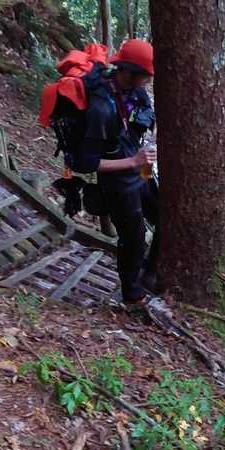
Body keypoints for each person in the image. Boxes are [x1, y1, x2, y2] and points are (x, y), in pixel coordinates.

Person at [64, 39, 159, 307]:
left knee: (166, 215)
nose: (148, 81)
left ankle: (150, 274)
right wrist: (133, 161)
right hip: (117, 182)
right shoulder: (100, 108)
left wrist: (151, 138)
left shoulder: (134, 92)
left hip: (140, 171)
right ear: (128, 72)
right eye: (145, 76)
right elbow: (85, 164)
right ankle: (133, 295)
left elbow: (147, 116)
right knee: (133, 238)